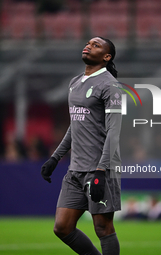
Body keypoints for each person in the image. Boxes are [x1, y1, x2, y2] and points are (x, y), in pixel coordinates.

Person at [41, 36, 122, 255]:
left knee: (103, 228)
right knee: (62, 228)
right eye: (88, 43)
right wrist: (55, 158)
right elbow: (75, 126)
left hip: (100, 169)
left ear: (107, 57)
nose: (88, 46)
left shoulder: (110, 86)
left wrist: (102, 170)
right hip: (75, 169)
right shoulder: (75, 82)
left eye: (96, 45)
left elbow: (114, 132)